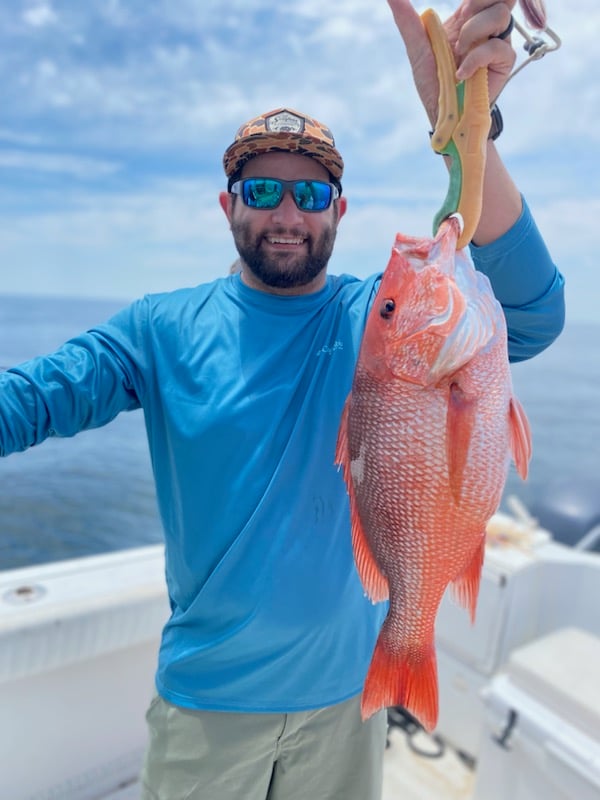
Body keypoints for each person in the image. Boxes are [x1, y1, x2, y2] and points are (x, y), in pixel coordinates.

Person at [0, 1, 564, 798]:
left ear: (340, 208)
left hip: (347, 701)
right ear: (228, 205)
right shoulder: (160, 327)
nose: (287, 211)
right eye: (261, 188)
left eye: (311, 192)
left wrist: (467, 130)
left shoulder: (376, 320)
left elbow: (534, 313)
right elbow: (30, 399)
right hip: (208, 707)